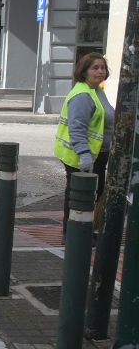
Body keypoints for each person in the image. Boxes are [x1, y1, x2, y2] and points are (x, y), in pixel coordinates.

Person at [54, 52, 115, 236]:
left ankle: (84, 232)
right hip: (82, 157)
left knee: (93, 195)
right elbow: (77, 128)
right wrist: (84, 155)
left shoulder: (97, 91)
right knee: (78, 196)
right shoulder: (82, 95)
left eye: (103, 68)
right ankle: (72, 235)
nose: (100, 71)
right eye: (95, 68)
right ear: (84, 71)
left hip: (97, 155)